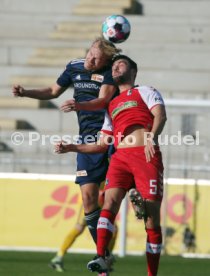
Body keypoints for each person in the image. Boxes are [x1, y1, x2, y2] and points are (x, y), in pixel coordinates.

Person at [12, 37, 121, 276]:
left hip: (111, 136)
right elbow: (52, 91)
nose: (93, 61)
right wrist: (26, 92)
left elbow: (103, 101)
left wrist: (80, 106)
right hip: (86, 139)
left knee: (115, 197)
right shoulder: (74, 66)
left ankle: (136, 206)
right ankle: (103, 255)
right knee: (89, 199)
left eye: (98, 59)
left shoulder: (110, 72)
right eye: (91, 55)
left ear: (107, 61)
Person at [54, 54, 167, 276]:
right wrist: (72, 148)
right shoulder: (111, 105)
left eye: (120, 64)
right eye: (113, 66)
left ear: (133, 71)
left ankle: (151, 273)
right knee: (108, 204)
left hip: (145, 155)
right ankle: (101, 256)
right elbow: (101, 144)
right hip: (119, 159)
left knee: (152, 220)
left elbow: (160, 116)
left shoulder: (145, 91)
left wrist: (151, 138)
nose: (115, 68)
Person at [50, 189, 118, 273]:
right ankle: (58, 257)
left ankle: (107, 259)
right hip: (91, 199)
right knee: (79, 228)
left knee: (113, 229)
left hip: (103, 201)